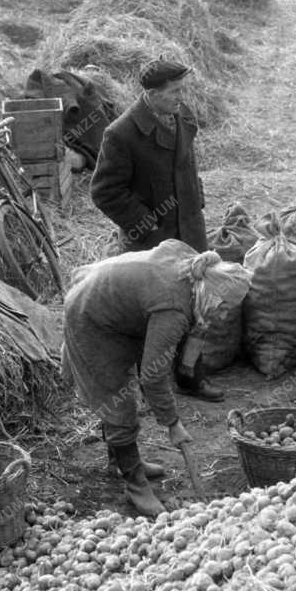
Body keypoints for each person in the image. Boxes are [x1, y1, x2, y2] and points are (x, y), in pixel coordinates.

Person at [61, 241, 251, 517]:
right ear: (209, 292)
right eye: (223, 306)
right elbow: (152, 376)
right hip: (91, 316)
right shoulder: (173, 309)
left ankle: (120, 460)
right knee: (118, 397)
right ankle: (134, 485)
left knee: (122, 389)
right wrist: (172, 423)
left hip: (113, 305)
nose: (224, 315)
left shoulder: (195, 266)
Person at [91, 59, 225, 402]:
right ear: (151, 95)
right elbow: (105, 191)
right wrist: (146, 222)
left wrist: (196, 196)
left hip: (189, 230)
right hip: (152, 243)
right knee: (153, 313)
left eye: (182, 90)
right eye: (174, 92)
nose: (182, 98)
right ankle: (147, 387)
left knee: (196, 308)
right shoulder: (120, 134)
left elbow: (185, 165)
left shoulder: (179, 117)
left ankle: (191, 376)